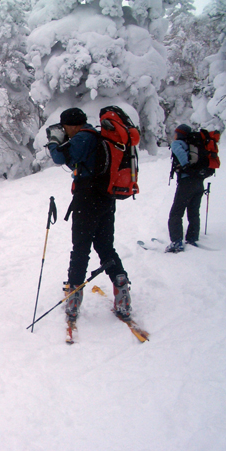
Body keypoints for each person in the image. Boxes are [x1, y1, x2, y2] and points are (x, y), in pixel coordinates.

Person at [47, 108, 132, 324]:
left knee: (81, 248)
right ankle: (121, 288)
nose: (64, 131)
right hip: (106, 199)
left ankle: (74, 300)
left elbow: (59, 157)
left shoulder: (83, 138)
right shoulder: (96, 136)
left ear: (73, 125)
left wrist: (54, 141)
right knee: (105, 247)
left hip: (87, 201)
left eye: (65, 127)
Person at [165, 124, 205, 253]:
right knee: (194, 212)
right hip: (199, 181)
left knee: (176, 212)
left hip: (187, 182)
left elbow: (181, 155)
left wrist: (186, 167)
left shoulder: (177, 144)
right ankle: (192, 238)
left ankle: (176, 242)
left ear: (180, 134)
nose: (174, 135)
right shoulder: (194, 145)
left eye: (176, 133)